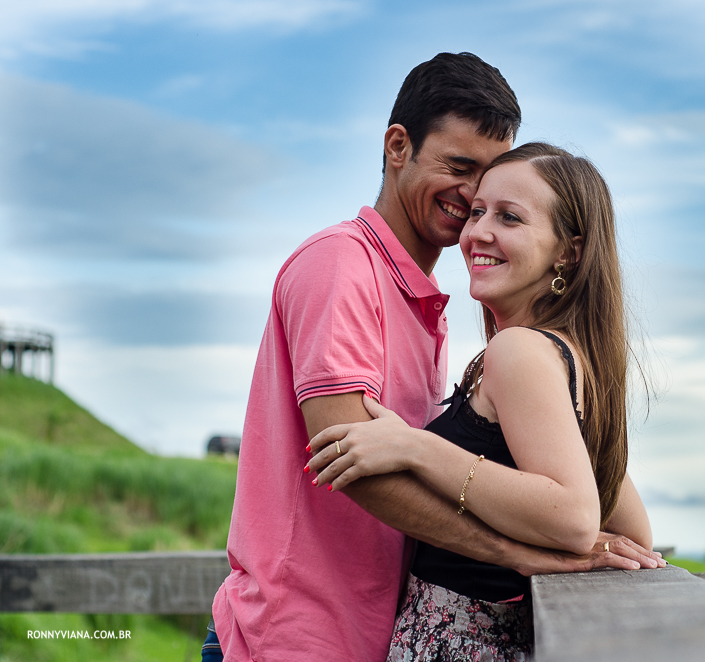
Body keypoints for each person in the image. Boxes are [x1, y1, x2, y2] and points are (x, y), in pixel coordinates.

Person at [207, 55, 661, 662]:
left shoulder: (435, 309)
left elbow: (587, 496)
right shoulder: (341, 266)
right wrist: (512, 553)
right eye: (459, 167)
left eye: (490, 181)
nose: (471, 195)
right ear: (398, 146)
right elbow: (351, 462)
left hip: (374, 635)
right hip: (300, 636)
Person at [306, 142, 658, 661]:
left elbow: (576, 516)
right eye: (477, 212)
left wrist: (415, 449)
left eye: (509, 217)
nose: (477, 233)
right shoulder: (569, 358)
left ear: (569, 251)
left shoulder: (518, 351)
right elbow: (631, 533)